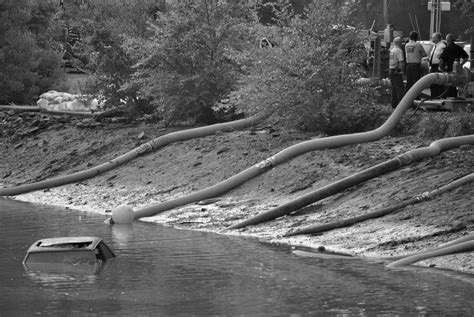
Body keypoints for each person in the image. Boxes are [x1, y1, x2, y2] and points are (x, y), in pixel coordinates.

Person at [439, 33, 469, 98]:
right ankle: (454, 97)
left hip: (448, 70)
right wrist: (460, 65)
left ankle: (449, 99)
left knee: (448, 86)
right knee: (455, 85)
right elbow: (466, 57)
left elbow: (441, 60)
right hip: (457, 71)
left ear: (447, 40)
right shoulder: (459, 48)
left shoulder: (446, 49)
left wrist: (441, 69)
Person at [428, 32, 446, 98]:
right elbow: (434, 56)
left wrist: (440, 67)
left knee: (438, 83)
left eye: (433, 37)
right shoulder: (435, 46)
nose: (432, 38)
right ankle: (434, 97)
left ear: (437, 38)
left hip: (438, 67)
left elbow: (442, 57)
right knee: (433, 83)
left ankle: (439, 97)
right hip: (433, 67)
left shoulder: (442, 46)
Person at [389, 37, 406, 108]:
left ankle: (394, 104)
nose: (402, 44)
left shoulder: (392, 50)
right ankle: (400, 106)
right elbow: (401, 62)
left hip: (391, 70)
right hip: (397, 71)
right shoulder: (399, 51)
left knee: (394, 89)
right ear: (398, 43)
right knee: (400, 89)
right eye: (401, 42)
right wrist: (403, 71)